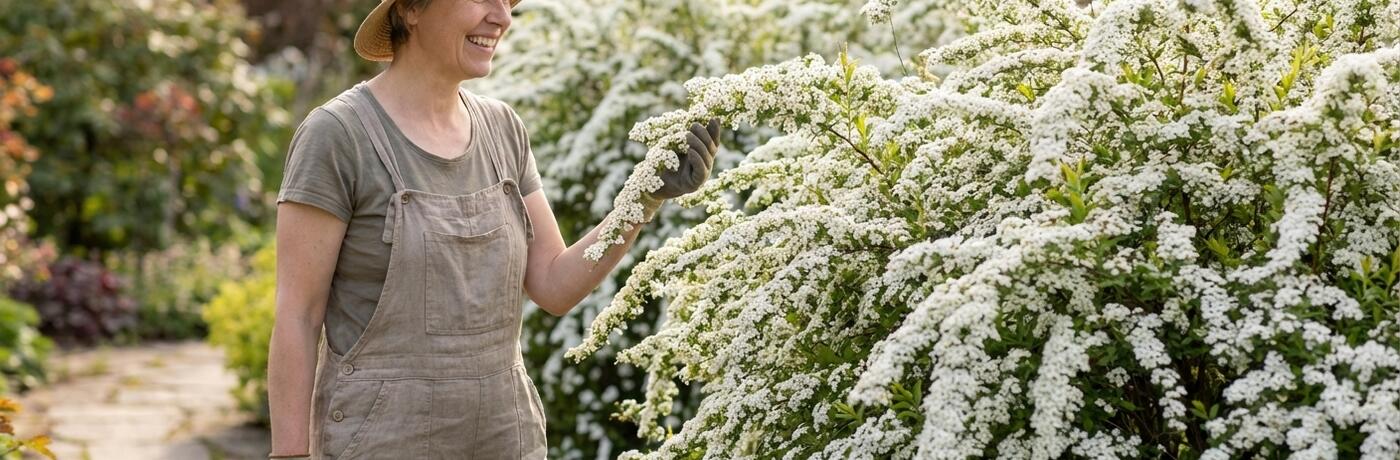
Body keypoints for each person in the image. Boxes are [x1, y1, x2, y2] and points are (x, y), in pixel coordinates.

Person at [264, 0, 721, 457]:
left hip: (504, 437)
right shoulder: (338, 136)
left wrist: (641, 198)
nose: (502, 17)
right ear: (411, 10)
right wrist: (290, 455)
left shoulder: (503, 130)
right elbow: (299, 315)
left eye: (507, 1)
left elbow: (553, 284)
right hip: (380, 441)